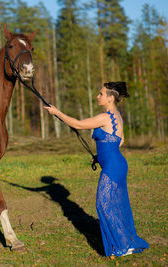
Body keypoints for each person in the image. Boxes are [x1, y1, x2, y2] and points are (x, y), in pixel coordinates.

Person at [44, 82, 149, 258]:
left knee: (103, 203)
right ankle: (126, 242)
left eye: (101, 94)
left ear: (110, 98)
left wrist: (57, 113)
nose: (98, 96)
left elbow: (77, 124)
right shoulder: (117, 116)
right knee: (116, 204)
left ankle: (123, 245)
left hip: (113, 167)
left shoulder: (106, 117)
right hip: (118, 164)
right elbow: (119, 141)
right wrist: (100, 156)